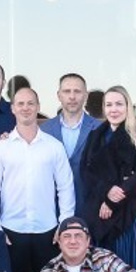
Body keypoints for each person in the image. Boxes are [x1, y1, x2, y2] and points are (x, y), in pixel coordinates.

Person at [0, 86, 76, 272]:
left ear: (38, 107)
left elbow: (66, 187)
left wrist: (64, 224)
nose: (25, 108)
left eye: (30, 103)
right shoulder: (1, 147)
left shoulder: (53, 146)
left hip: (48, 231)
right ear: (13, 109)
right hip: (10, 231)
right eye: (20, 104)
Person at [77, 85, 136, 272]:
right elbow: (85, 171)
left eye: (119, 104)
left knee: (127, 271)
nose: (114, 109)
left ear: (128, 106)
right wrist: (106, 192)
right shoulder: (95, 136)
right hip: (98, 212)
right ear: (104, 108)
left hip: (127, 214)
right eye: (109, 105)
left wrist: (112, 201)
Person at [42, 72, 100, 209]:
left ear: (86, 96)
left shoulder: (100, 129)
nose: (72, 96)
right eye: (67, 91)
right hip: (52, 207)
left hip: (90, 206)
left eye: (77, 91)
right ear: (59, 95)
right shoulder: (44, 130)